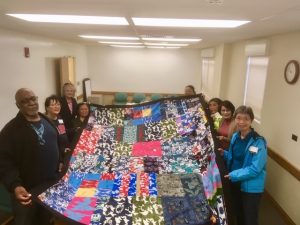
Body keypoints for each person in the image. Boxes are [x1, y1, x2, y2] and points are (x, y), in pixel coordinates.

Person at [0, 88, 63, 225]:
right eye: (25, 101)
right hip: (27, 191)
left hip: (49, 186)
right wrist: (15, 185)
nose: (31, 103)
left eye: (33, 99)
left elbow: (55, 144)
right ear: (18, 105)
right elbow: (4, 163)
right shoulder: (10, 131)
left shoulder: (46, 119)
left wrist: (61, 161)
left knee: (46, 220)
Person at [219, 106, 267, 225]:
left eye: (246, 119)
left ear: (251, 121)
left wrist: (234, 175)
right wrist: (223, 153)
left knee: (249, 218)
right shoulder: (235, 136)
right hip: (234, 182)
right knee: (237, 213)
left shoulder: (258, 141)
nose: (241, 122)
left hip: (249, 186)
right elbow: (233, 156)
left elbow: (255, 169)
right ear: (235, 119)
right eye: (238, 118)